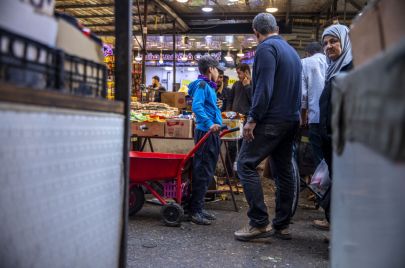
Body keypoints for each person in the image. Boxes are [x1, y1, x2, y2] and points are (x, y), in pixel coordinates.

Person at [234, 13, 302, 241]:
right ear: (277, 29)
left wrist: (252, 120)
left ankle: (259, 222)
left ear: (256, 32)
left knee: (245, 164)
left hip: (271, 120)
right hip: (291, 120)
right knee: (283, 171)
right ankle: (282, 225)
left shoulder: (265, 48)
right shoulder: (291, 51)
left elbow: (264, 88)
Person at [314, 24, 353, 229]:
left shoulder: (352, 69)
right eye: (325, 43)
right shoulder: (333, 70)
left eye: (334, 41)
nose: (328, 46)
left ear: (345, 42)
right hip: (332, 142)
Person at [187, 55, 224, 225]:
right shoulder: (202, 85)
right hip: (206, 133)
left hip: (211, 133)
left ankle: (199, 208)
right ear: (210, 69)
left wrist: (216, 108)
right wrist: (210, 124)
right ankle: (195, 211)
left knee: (207, 171)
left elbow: (205, 106)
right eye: (217, 69)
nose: (218, 73)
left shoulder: (208, 86)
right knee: (202, 172)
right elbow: (196, 106)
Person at [301, 42, 328, 167]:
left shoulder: (305, 62)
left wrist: (303, 117)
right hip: (331, 118)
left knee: (319, 158)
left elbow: (303, 95)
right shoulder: (331, 60)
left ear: (307, 53)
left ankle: (321, 184)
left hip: (315, 118)